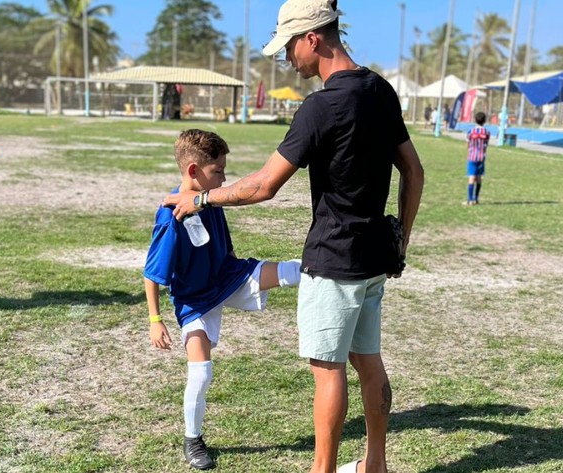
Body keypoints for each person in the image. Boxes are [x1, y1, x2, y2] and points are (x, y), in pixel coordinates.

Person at [162, 1, 425, 472]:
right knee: (369, 362)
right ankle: (376, 465)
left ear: (312, 39)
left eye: (288, 48)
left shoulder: (320, 106)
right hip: (373, 259)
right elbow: (414, 170)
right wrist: (400, 239)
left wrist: (201, 201)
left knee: (328, 372)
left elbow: (263, 185)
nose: (287, 60)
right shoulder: (380, 90)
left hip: (332, 261)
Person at [143, 129, 301, 470]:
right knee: (200, 373)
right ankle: (192, 439)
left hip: (228, 276)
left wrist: (236, 266)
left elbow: (224, 245)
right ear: (193, 171)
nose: (225, 176)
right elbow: (152, 273)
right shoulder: (172, 215)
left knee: (297, 271)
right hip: (194, 300)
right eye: (218, 170)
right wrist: (155, 321)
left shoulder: (210, 198)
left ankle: (341, 269)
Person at [466, 112, 490, 206]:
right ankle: (476, 199)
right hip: (481, 157)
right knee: (479, 177)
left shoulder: (471, 132)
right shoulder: (486, 132)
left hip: (472, 156)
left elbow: (468, 144)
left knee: (471, 177)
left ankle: (469, 199)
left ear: (475, 120)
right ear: (484, 121)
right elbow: (486, 145)